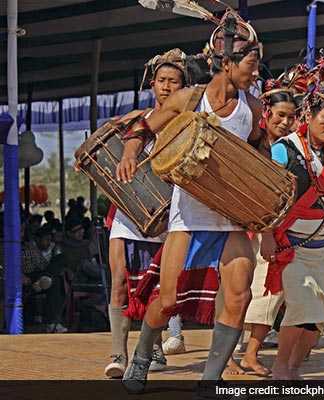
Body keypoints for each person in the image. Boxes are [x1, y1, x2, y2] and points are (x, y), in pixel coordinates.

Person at [118, 10, 264, 392]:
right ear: (228, 63)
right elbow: (142, 127)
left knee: (238, 297)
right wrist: (131, 152)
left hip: (233, 218)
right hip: (188, 217)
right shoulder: (188, 99)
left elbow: (261, 154)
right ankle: (142, 356)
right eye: (251, 63)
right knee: (167, 302)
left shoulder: (254, 108)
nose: (255, 72)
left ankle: (210, 380)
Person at [260, 89, 324, 380]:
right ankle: (280, 365)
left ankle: (293, 367)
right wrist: (267, 235)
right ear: (308, 116)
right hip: (291, 245)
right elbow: (268, 197)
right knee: (301, 307)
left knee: (319, 317)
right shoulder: (283, 149)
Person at [103, 48, 188, 379]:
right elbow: (109, 143)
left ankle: (150, 345)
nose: (167, 87)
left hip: (169, 216)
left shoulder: (186, 124)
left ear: (183, 87)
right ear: (152, 84)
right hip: (128, 211)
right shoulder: (137, 119)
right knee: (120, 279)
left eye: (174, 82)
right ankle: (117, 353)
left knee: (160, 288)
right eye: (162, 81)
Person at [240, 70, 302, 376]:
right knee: (255, 291)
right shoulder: (254, 143)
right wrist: (265, 233)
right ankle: (244, 353)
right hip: (254, 227)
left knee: (270, 292)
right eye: (280, 115)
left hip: (280, 227)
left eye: (291, 117)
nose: (285, 122)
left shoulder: (293, 148)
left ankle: (250, 351)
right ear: (266, 113)